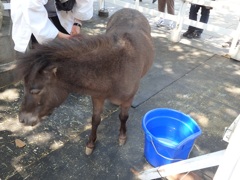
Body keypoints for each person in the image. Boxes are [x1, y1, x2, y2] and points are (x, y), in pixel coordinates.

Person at [11, 0, 94, 53]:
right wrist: (58, 35)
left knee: (68, 49)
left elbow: (85, 2)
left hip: (60, 11)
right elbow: (31, 7)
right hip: (33, 12)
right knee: (40, 51)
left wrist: (77, 23)